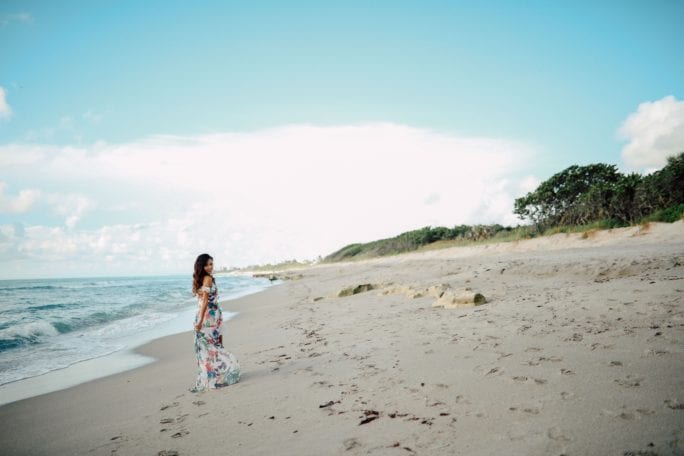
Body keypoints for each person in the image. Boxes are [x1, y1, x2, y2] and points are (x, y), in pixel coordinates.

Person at [190, 253, 240, 392]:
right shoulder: (204, 279)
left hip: (206, 317)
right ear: (201, 266)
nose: (210, 267)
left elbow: (205, 301)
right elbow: (203, 300)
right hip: (210, 315)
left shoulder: (206, 279)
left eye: (211, 264)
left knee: (206, 346)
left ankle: (220, 372)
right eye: (207, 264)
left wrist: (199, 321)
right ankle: (219, 373)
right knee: (213, 345)